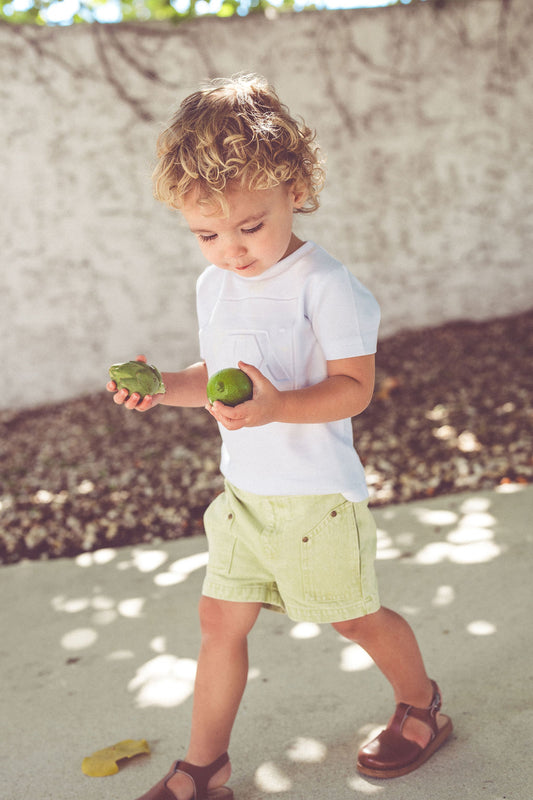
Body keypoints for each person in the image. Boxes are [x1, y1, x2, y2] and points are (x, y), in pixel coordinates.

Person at [107, 74, 452, 800]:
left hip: (314, 498)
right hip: (244, 496)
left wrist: (275, 407)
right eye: (206, 234)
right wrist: (162, 385)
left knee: (354, 617)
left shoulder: (325, 284)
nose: (229, 251)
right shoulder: (216, 286)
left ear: (292, 187)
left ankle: (421, 703)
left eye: (249, 227)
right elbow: (217, 377)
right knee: (216, 620)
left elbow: (352, 388)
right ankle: (204, 769)